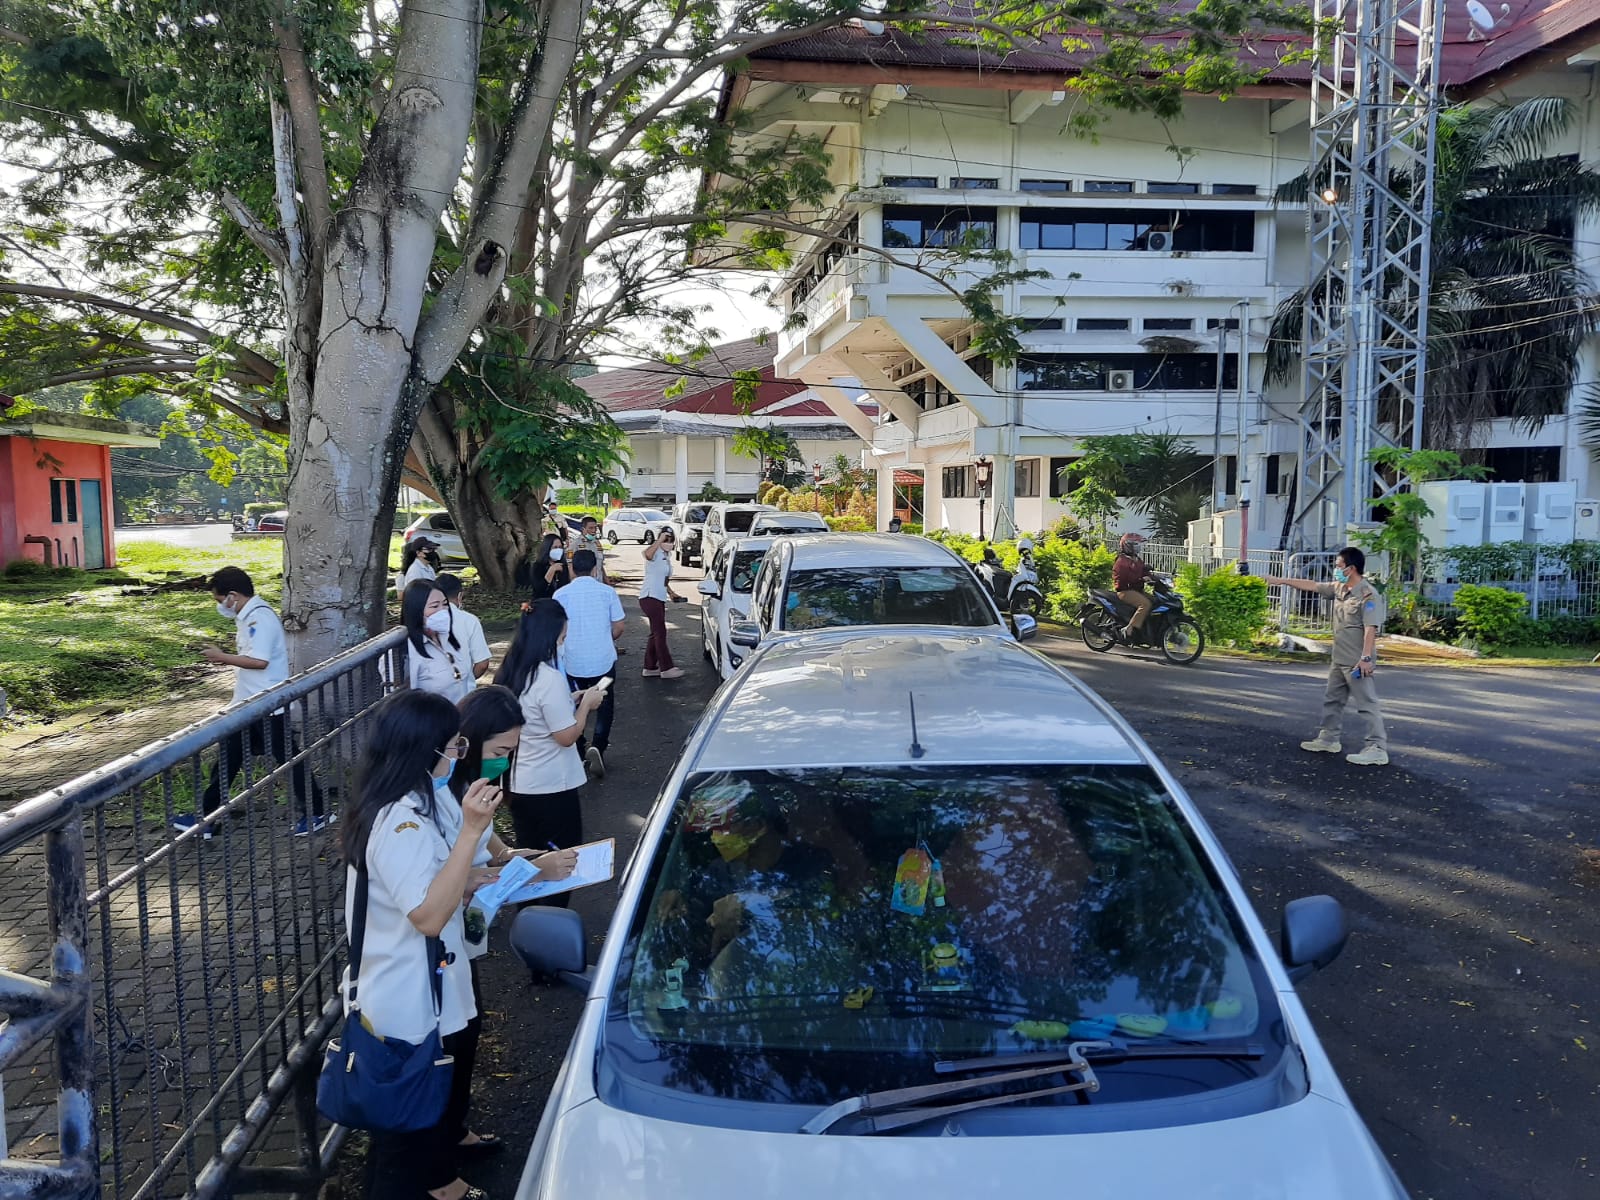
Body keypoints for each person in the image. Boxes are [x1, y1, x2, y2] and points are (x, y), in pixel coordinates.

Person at [339, 689, 494, 1200]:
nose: (459, 754)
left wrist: (482, 870)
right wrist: (472, 832)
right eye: (453, 745)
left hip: (429, 985)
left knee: (427, 1109)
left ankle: (439, 1173)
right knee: (400, 1145)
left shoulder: (415, 801)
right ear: (423, 750)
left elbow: (444, 881)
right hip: (405, 999)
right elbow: (429, 914)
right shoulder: (398, 821)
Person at [440, 686, 576, 1161]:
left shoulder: (476, 791)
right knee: (453, 1038)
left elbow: (499, 854)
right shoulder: (449, 793)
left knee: (469, 1028)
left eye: (511, 753)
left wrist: (544, 858)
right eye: (500, 751)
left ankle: (454, 1128)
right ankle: (439, 1153)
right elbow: (468, 873)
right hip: (441, 939)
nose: (504, 762)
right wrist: (539, 870)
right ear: (471, 741)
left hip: (464, 938)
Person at [178, 566, 328, 838]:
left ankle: (317, 812)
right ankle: (206, 819)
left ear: (232, 595)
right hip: (248, 704)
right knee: (226, 761)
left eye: (219, 599)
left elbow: (260, 661)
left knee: (290, 761)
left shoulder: (259, 619)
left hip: (267, 705)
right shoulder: (248, 617)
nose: (220, 606)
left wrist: (221, 657)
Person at [493, 600, 606, 901]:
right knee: (560, 864)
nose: (563, 644)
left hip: (520, 783)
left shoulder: (512, 671)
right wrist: (586, 705)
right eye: (562, 638)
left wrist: (570, 699)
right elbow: (566, 735)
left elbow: (535, 714)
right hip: (552, 786)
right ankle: (552, 926)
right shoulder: (548, 678)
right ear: (550, 635)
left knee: (529, 861)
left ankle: (528, 921)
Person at [1265, 545, 1390, 767]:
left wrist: (1366, 659)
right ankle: (1329, 739)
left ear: (1351, 568)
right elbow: (1313, 585)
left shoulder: (1368, 594)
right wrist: (1281, 580)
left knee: (1367, 703)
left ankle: (1377, 748)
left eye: (1339, 565)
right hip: (1339, 657)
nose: (1335, 569)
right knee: (1332, 700)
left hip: (1357, 661)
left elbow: (1371, 629)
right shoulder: (1339, 588)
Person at [555, 548, 624, 778]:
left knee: (575, 702)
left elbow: (556, 630)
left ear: (572, 569)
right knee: (604, 703)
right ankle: (598, 746)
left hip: (573, 666)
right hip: (603, 664)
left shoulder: (560, 595)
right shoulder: (607, 593)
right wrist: (605, 638)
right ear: (595, 569)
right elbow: (619, 627)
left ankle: (579, 745)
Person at [400, 580, 474, 702]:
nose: (443, 611)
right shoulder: (404, 653)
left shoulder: (449, 639)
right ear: (416, 610)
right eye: (434, 606)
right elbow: (400, 704)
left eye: (445, 604)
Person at [639, 528, 688, 680]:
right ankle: (666, 668)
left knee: (655, 633)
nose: (669, 543)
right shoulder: (655, 552)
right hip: (649, 596)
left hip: (659, 596)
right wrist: (659, 540)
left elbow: (664, 580)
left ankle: (650, 667)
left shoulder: (667, 556)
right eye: (666, 540)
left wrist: (672, 593)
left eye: (671, 540)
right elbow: (646, 554)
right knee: (660, 632)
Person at [435, 574, 492, 682]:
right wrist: (468, 680)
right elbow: (482, 664)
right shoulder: (469, 620)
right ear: (460, 596)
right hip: (462, 690)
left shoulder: (425, 618)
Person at [1112, 532, 1154, 641]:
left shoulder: (1136, 559)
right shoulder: (1121, 561)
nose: (1138, 547)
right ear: (1128, 545)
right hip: (1125, 591)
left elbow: (1143, 571)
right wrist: (1140, 579)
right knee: (1145, 604)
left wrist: (1153, 577)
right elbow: (1124, 580)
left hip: (1136, 590)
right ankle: (1129, 628)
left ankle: (1144, 631)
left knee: (1155, 601)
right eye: (1136, 545)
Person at [526, 533, 570, 603]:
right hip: (542, 604)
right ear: (547, 548)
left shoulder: (563, 566)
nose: (558, 550)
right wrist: (551, 570)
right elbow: (539, 590)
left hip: (560, 604)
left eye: (560, 547)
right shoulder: (537, 566)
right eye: (555, 547)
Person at [566, 515, 609, 583]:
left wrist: (606, 581)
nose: (594, 531)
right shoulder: (575, 544)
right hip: (583, 583)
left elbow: (600, 564)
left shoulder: (597, 543)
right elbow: (570, 565)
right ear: (583, 529)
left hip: (598, 582)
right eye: (590, 528)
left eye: (595, 528)